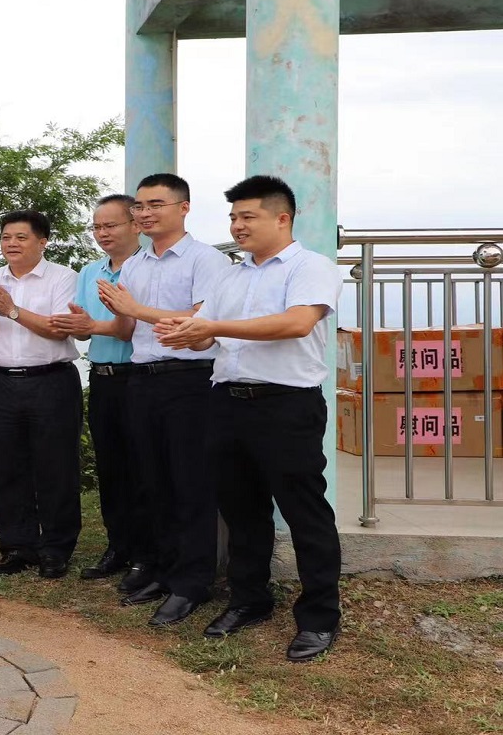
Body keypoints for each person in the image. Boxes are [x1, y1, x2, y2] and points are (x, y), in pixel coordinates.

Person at [155, 175, 342, 662]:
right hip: (227, 402)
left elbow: (297, 323)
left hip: (286, 405)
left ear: (282, 218)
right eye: (233, 217)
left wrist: (213, 325)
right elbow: (207, 335)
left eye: (247, 216)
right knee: (241, 510)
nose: (237, 226)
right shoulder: (230, 276)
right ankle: (249, 599)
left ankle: (319, 616)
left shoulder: (310, 267)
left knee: (304, 512)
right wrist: (186, 332)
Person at [97, 172, 231, 626]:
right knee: (151, 480)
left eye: (156, 204)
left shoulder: (206, 259)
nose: (145, 213)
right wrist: (110, 315)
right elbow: (129, 327)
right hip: (142, 378)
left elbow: (200, 320)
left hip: (189, 380)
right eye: (139, 206)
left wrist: (135, 310)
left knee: (189, 482)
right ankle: (162, 569)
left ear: (184, 208)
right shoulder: (136, 263)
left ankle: (192, 583)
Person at [0, 210, 83, 580]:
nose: (11, 244)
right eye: (6, 237)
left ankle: (56, 549)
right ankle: (17, 547)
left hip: (52, 380)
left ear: (42, 241)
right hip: (3, 381)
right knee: (5, 467)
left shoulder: (63, 277)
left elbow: (59, 329)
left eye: (21, 237)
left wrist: (12, 310)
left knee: (56, 466)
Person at [51, 194, 145, 581]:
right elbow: (84, 328)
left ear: (135, 225)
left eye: (110, 225)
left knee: (143, 467)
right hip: (103, 377)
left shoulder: (147, 266)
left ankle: (146, 552)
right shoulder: (90, 272)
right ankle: (117, 546)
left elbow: (133, 327)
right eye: (96, 227)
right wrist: (79, 325)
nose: (102, 233)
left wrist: (92, 326)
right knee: (111, 466)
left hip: (139, 377)